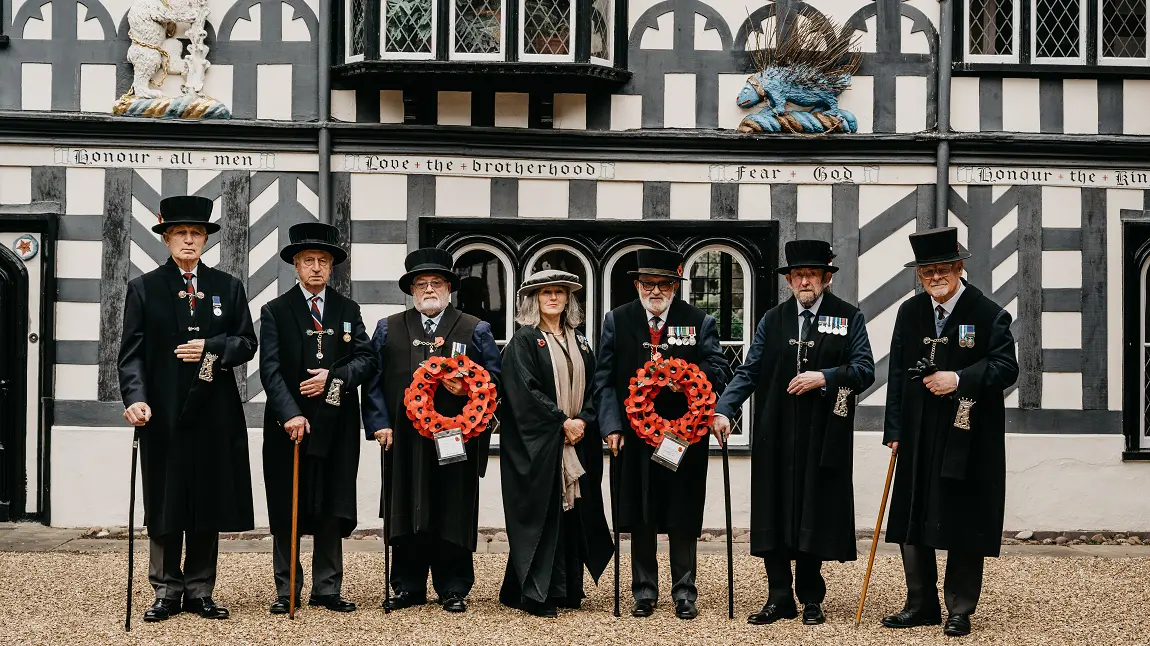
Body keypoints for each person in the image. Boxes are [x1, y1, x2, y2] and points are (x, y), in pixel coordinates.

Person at [712, 239, 874, 626]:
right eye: (798, 275)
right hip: (776, 432)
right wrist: (724, 409)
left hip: (822, 433)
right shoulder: (773, 319)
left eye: (812, 275)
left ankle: (811, 597)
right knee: (775, 510)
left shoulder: (849, 318)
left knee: (813, 511)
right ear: (790, 280)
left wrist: (825, 377)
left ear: (825, 279)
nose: (805, 281)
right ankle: (779, 597)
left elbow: (865, 369)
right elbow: (749, 370)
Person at [118, 195, 257, 622]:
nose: (189, 240)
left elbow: (246, 343)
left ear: (206, 239)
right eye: (180, 233)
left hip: (214, 413)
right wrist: (135, 397)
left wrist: (212, 347)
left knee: (206, 499)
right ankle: (165, 589)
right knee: (165, 499)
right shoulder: (144, 288)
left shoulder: (227, 287)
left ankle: (199, 589)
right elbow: (131, 355)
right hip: (162, 412)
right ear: (166, 238)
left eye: (196, 233)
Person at [880, 227, 1018, 638]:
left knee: (963, 517)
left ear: (959, 268)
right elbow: (898, 377)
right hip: (918, 432)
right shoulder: (910, 313)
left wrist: (957, 379)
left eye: (942, 269)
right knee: (911, 515)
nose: (934, 278)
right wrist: (894, 428)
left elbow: (1007, 368)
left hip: (967, 433)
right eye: (927, 272)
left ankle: (960, 608)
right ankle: (920, 604)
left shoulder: (989, 313)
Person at [361, 248, 502, 613]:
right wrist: (379, 424)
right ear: (411, 289)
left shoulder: (476, 329)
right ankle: (408, 586)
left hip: (457, 439)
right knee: (406, 508)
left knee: (451, 507)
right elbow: (372, 380)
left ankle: (453, 587)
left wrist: (469, 388)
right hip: (404, 440)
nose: (428, 289)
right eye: (420, 283)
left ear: (448, 288)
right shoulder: (388, 327)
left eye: (435, 282)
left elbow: (496, 382)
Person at [591, 248, 729, 620]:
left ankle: (685, 591)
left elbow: (717, 367)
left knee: (682, 510)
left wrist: (682, 376)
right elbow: (603, 380)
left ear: (675, 287)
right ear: (637, 285)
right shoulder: (617, 321)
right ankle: (644, 591)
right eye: (648, 283)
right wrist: (611, 425)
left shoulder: (698, 320)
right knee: (641, 511)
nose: (655, 291)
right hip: (635, 437)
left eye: (664, 284)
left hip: (685, 435)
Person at [259, 222, 376, 614]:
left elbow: (367, 360)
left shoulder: (348, 310)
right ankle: (286, 588)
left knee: (330, 504)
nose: (315, 268)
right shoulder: (275, 310)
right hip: (288, 427)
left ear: (331, 267)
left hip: (336, 425)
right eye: (308, 260)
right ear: (295, 265)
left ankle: (328, 588)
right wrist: (290, 413)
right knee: (288, 505)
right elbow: (270, 371)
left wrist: (334, 378)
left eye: (322, 261)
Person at [498, 270, 614, 618]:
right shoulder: (523, 340)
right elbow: (523, 391)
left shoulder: (579, 340)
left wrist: (582, 420)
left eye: (560, 293)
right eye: (546, 292)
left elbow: (597, 385)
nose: (553, 298)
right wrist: (560, 421)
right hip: (539, 446)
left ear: (568, 299)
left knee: (573, 515)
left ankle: (566, 588)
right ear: (534, 299)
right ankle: (536, 593)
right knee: (544, 516)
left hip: (576, 442)